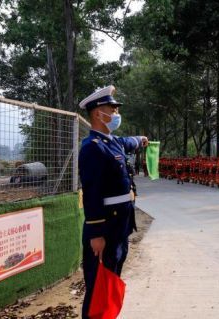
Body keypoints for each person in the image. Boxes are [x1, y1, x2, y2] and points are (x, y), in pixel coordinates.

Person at [78, 85, 149, 319]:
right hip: (105, 228)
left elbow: (128, 142)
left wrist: (140, 140)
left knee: (112, 276)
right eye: (113, 109)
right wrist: (96, 233)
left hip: (119, 226)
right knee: (99, 283)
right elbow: (92, 192)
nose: (117, 113)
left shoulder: (112, 141)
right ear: (99, 114)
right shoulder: (92, 148)